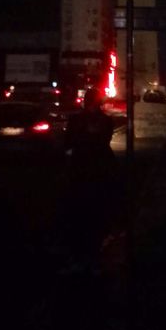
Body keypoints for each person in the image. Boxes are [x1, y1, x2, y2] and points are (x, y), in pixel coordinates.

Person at [59, 87, 118, 274]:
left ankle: (81, 257)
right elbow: (104, 141)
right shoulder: (106, 121)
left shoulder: (76, 121)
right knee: (96, 217)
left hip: (82, 172)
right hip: (98, 173)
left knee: (80, 217)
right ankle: (93, 257)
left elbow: (68, 143)